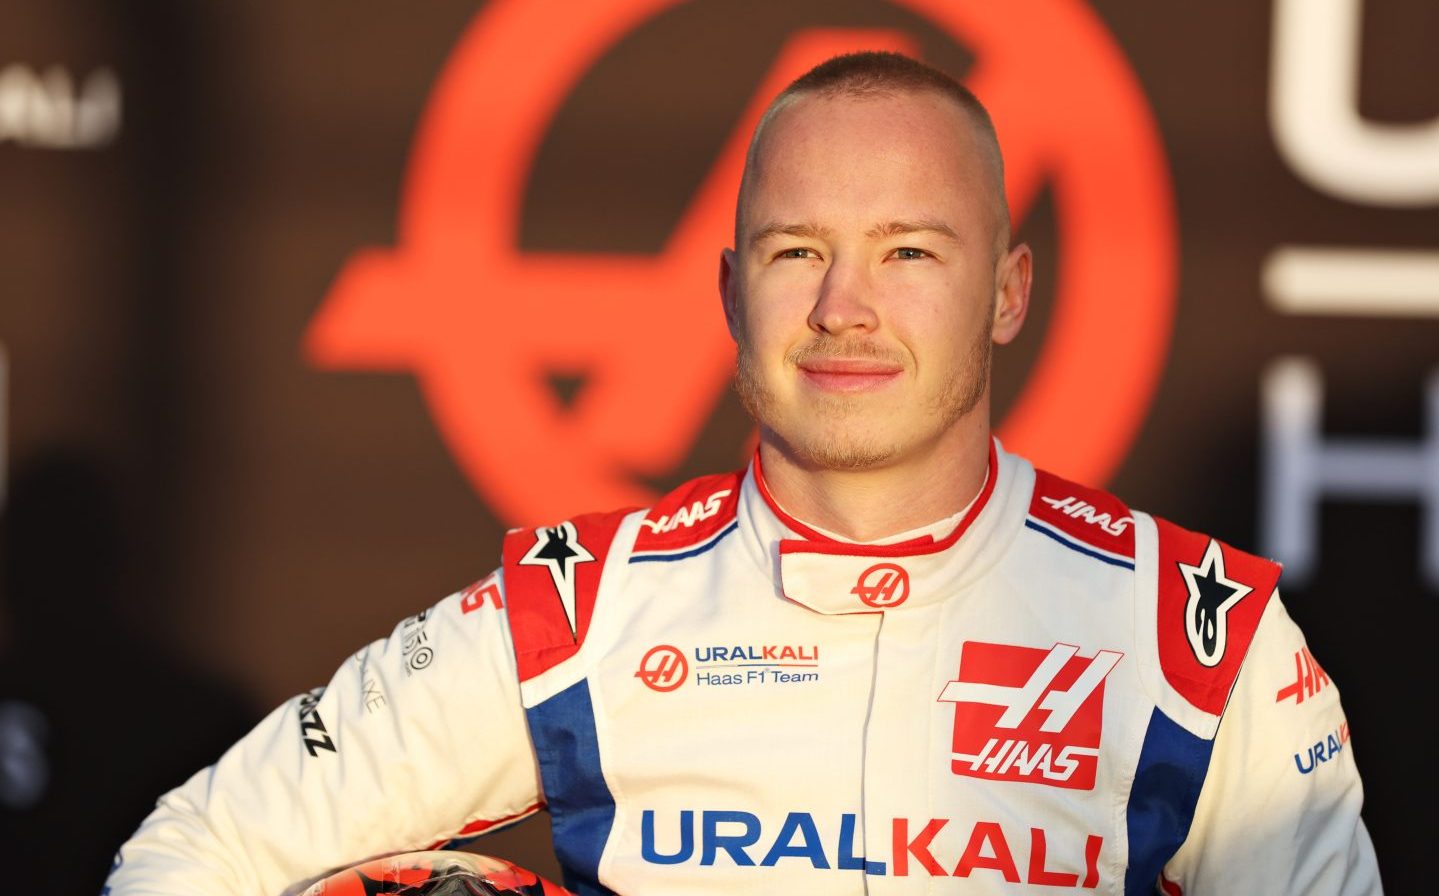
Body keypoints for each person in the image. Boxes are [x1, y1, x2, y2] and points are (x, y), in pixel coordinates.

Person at [105, 52, 1381, 895]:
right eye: (793, 252)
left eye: (908, 253)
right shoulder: (578, 608)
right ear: (726, 289)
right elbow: (186, 853)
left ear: (1006, 291)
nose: (842, 307)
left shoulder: (1196, 635)